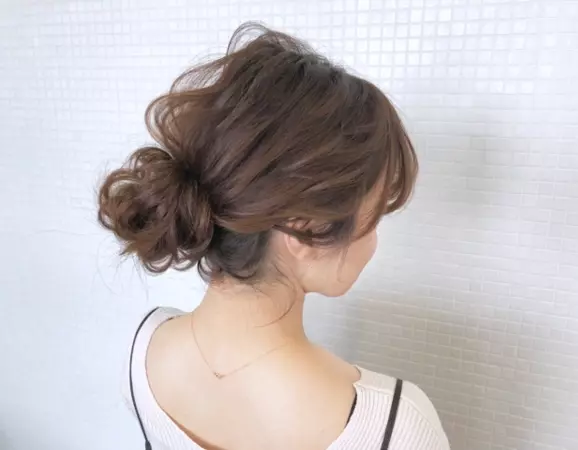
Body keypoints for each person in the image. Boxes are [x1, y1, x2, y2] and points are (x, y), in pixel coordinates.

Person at [98, 22, 450, 450]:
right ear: (305, 228)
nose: (374, 242)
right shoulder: (394, 428)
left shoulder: (144, 351)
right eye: (373, 217)